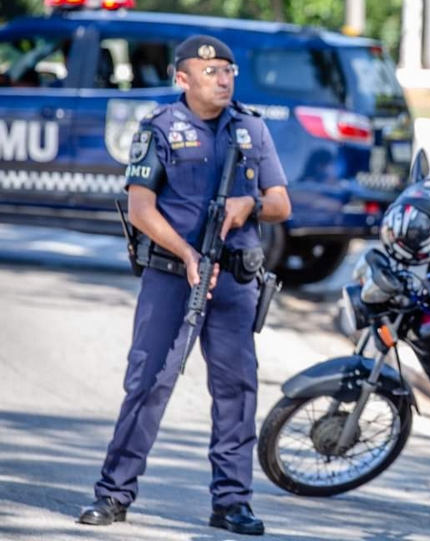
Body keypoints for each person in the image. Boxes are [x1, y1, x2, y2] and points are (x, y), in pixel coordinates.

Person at [77, 35, 291, 536]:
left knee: (236, 391)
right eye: (211, 72)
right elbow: (140, 208)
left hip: (235, 280)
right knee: (149, 382)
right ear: (182, 79)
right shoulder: (160, 127)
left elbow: (281, 202)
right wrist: (188, 253)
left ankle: (232, 502)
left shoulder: (251, 129)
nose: (223, 80)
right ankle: (113, 494)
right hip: (173, 278)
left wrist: (249, 206)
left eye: (229, 72)